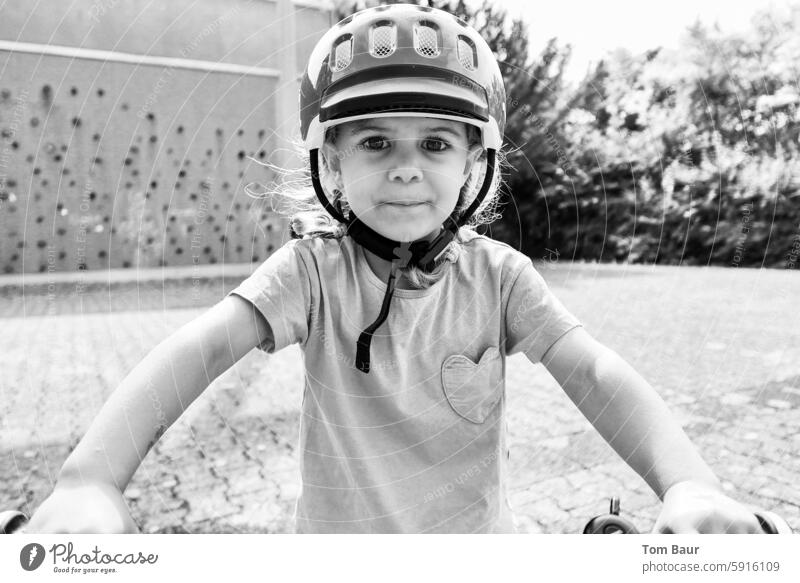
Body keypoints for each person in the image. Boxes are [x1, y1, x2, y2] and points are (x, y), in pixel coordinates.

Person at [26, 3, 766, 534]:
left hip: (479, 557)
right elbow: (199, 348)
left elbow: (594, 372)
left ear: (478, 160)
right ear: (333, 163)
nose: (407, 168)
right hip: (333, 559)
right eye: (376, 142)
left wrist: (688, 481)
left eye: (436, 144)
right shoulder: (311, 273)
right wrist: (91, 481)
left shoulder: (501, 277)